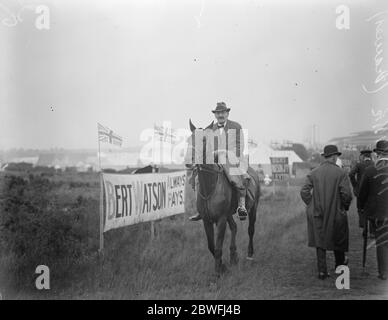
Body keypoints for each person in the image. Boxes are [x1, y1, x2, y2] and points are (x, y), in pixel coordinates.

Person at [189, 102, 250, 221]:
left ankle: (241, 206)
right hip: (215, 159)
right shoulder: (211, 129)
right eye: (218, 113)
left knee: (234, 177)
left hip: (232, 158)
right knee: (198, 176)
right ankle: (200, 209)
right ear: (215, 115)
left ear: (227, 113)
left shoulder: (236, 126)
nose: (220, 115)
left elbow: (239, 146)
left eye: (223, 112)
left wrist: (227, 154)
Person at [300, 145, 353, 280]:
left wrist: (311, 204)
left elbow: (304, 191)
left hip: (318, 212)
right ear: (335, 157)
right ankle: (339, 267)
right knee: (339, 239)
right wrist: (344, 207)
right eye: (337, 157)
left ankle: (322, 271)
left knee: (320, 240)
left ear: (325, 156)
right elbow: (346, 195)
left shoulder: (314, 172)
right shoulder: (341, 173)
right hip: (336, 212)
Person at [358, 140, 388, 280]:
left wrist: (361, 208)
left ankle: (384, 273)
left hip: (378, 215)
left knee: (381, 243)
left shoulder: (370, 170)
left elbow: (362, 193)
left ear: (377, 153)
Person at [349, 150, 375, 235]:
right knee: (372, 210)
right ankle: (372, 232)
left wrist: (355, 186)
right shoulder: (374, 164)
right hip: (372, 191)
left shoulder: (359, 165)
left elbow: (351, 174)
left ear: (362, 156)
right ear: (370, 156)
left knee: (361, 209)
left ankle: (364, 228)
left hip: (361, 190)